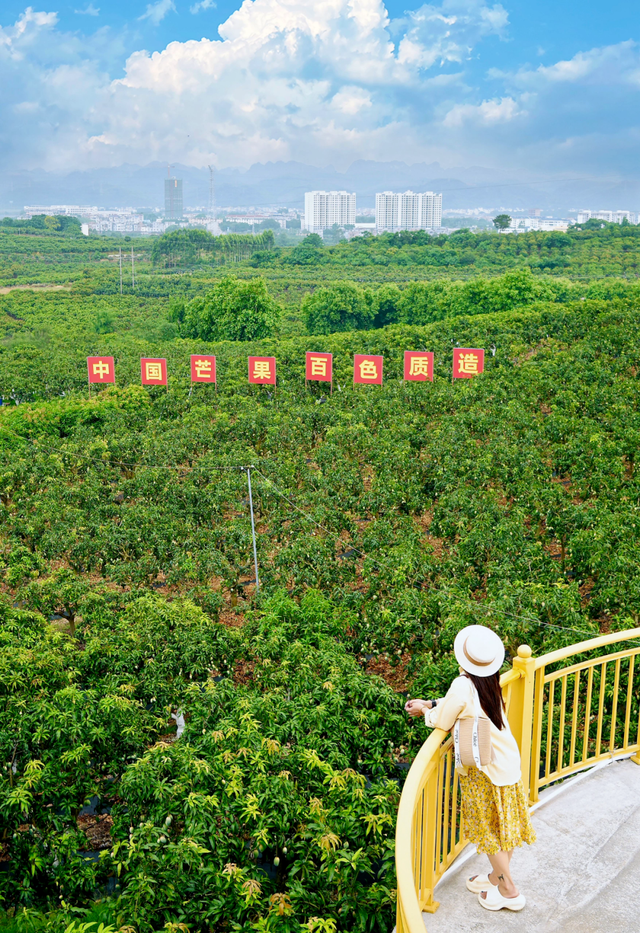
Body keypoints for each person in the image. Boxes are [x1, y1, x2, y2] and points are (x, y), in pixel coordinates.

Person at [405, 625, 536, 912]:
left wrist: (425, 710)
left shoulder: (462, 684)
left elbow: (443, 721)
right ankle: (494, 877)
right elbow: (462, 703)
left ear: (462, 657)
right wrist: (434, 703)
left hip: (485, 769)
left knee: (489, 830)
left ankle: (509, 890)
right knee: (505, 827)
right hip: (507, 761)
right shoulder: (490, 678)